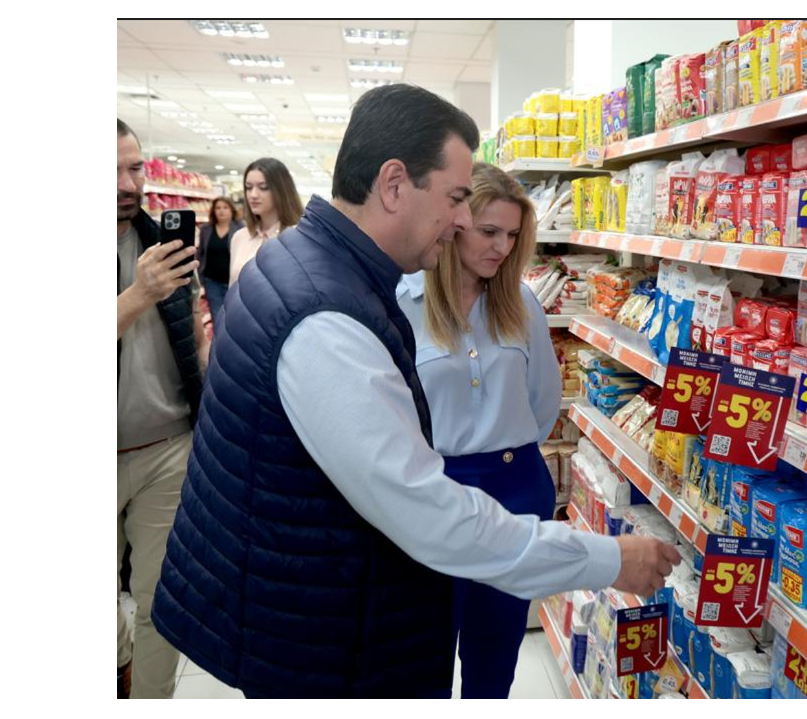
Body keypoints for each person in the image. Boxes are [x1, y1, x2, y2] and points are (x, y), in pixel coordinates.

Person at [151, 84, 679, 699]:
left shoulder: (301, 267)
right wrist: (608, 559)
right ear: (395, 184)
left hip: (309, 609)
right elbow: (430, 515)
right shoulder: (326, 317)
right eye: (456, 198)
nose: (463, 221)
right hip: (320, 641)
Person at [395, 163, 558, 698]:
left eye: (513, 236)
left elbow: (542, 402)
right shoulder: (402, 303)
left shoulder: (522, 303)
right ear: (455, 222)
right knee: (422, 650)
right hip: (433, 491)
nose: (502, 248)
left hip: (515, 487)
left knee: (496, 650)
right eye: (490, 232)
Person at [116, 119, 207, 699]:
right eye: (109, 171)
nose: (127, 184)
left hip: (168, 447)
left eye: (134, 168)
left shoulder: (160, 241)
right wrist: (136, 295)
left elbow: (190, 342)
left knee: (159, 602)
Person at [227, 157, 302, 285]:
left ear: (282, 191)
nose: (253, 195)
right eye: (248, 187)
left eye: (263, 187)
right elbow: (232, 287)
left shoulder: (298, 238)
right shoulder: (240, 237)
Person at [196, 196, 243, 332]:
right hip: (212, 282)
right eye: (218, 208)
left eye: (225, 207)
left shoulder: (240, 228)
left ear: (231, 210)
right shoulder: (206, 229)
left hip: (234, 283)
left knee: (234, 317)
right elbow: (201, 253)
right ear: (213, 211)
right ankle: (220, 349)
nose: (221, 211)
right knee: (218, 318)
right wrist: (200, 276)